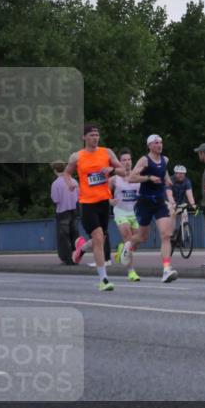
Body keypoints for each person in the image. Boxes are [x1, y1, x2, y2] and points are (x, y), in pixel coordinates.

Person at [64, 124, 125, 290]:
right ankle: (103, 280)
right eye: (91, 135)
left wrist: (112, 169)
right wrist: (70, 183)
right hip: (87, 203)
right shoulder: (77, 156)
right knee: (98, 238)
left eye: (97, 135)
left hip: (104, 202)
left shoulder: (107, 152)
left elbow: (123, 171)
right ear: (84, 137)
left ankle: (81, 248)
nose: (95, 138)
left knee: (100, 239)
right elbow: (67, 173)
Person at [124, 134, 179, 284]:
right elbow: (131, 178)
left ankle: (166, 270)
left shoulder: (165, 160)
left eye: (161, 142)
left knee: (166, 234)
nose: (159, 145)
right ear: (149, 145)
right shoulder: (144, 160)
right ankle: (128, 245)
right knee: (142, 238)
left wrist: (168, 181)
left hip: (160, 202)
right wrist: (148, 178)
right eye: (156, 143)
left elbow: (165, 173)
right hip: (144, 203)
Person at [109, 149, 141, 282]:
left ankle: (121, 250)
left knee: (136, 241)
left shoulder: (138, 177)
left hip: (133, 213)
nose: (127, 162)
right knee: (128, 238)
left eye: (129, 159)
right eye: (124, 160)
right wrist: (110, 200)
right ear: (119, 162)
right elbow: (103, 191)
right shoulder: (114, 179)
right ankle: (131, 271)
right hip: (120, 211)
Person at [50, 161, 78, 264]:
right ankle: (76, 256)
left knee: (64, 237)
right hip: (74, 210)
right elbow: (78, 197)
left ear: (55, 170)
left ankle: (67, 258)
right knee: (74, 235)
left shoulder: (55, 184)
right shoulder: (74, 181)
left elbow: (55, 200)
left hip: (62, 212)